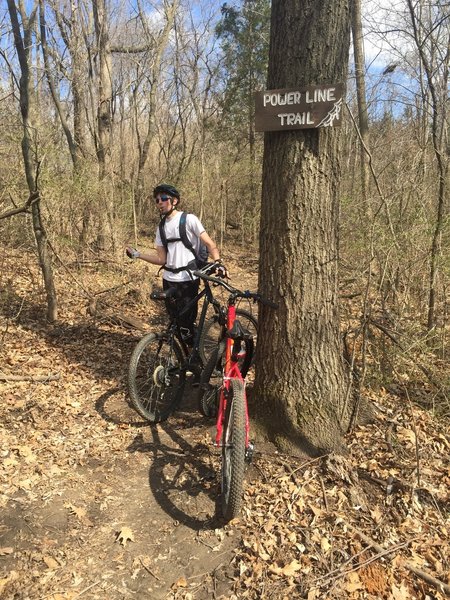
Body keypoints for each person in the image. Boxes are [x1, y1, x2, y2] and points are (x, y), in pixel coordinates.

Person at [126, 183, 226, 347]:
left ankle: (197, 362)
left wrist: (218, 262)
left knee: (186, 325)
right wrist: (138, 255)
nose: (159, 202)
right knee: (175, 323)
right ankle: (182, 361)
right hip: (169, 279)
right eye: (157, 200)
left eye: (163, 198)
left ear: (174, 201)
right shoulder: (161, 228)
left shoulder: (189, 219)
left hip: (188, 279)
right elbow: (161, 260)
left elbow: (209, 243)